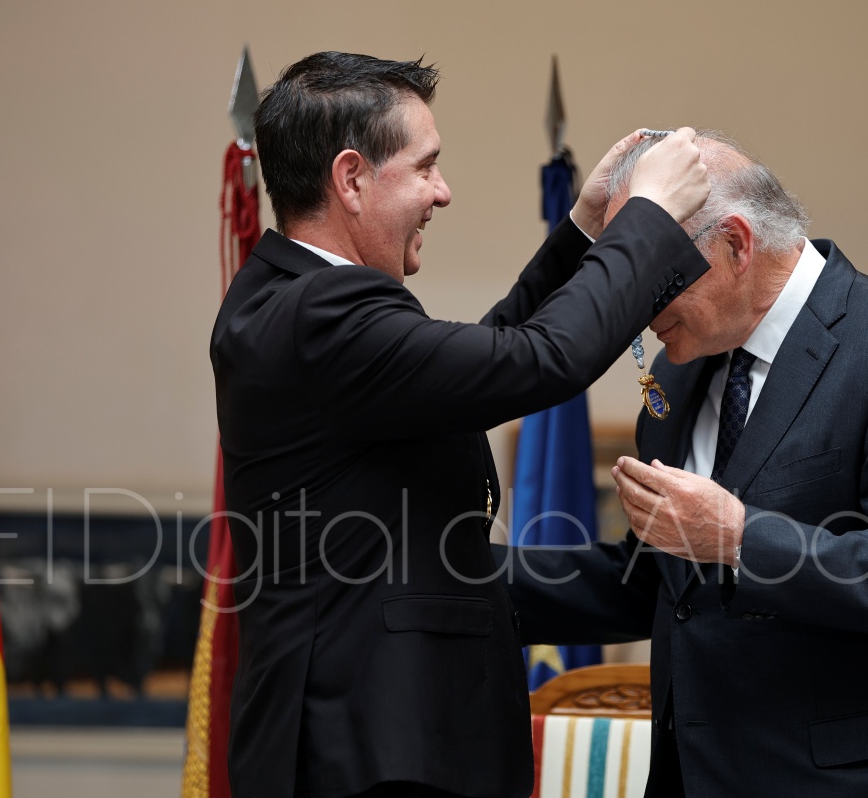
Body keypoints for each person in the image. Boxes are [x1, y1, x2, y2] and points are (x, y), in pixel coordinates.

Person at [209, 51, 712, 798]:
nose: (442, 192)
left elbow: (480, 365)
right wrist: (651, 217)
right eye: (425, 167)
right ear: (351, 179)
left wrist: (581, 229)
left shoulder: (285, 298)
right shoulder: (322, 311)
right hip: (371, 754)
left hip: (367, 741)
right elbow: (541, 360)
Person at [495, 131, 868, 797]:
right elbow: (663, 583)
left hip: (863, 781)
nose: (635, 315)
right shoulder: (678, 375)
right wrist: (452, 578)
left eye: (649, 281)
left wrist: (739, 536)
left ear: (736, 245)